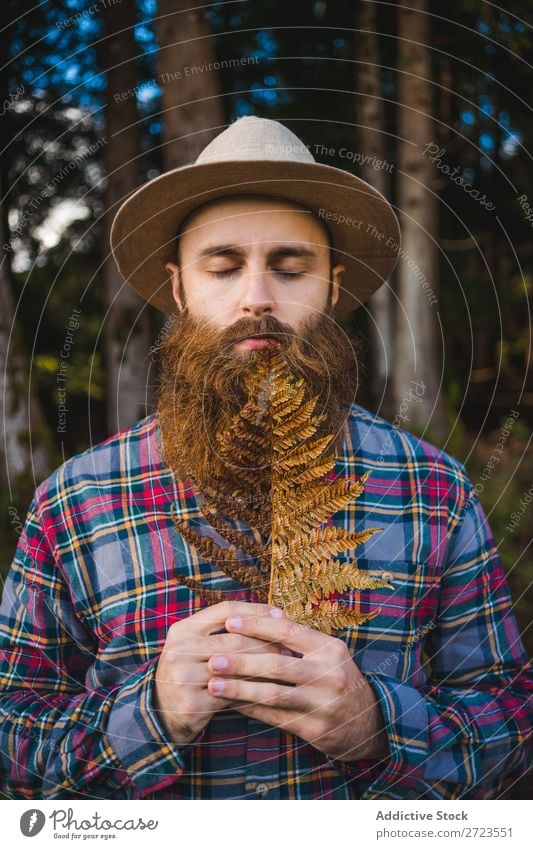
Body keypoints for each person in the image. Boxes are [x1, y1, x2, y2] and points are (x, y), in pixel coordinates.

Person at [0, 116, 531, 800]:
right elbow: (15, 729)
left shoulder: (430, 488)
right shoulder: (78, 499)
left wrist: (378, 724)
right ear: (180, 287)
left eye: (290, 266)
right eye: (222, 266)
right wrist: (147, 715)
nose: (257, 297)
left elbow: (509, 718)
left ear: (333, 287)